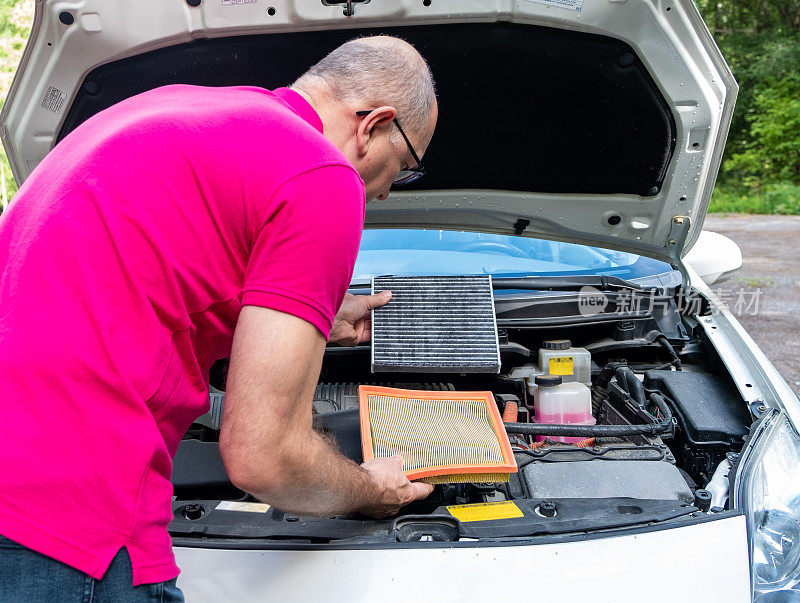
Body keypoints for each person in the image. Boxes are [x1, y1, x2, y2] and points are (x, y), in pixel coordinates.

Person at [0, 36, 438, 601]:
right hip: (66, 522)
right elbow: (263, 458)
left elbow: (140, 283)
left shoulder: (173, 108)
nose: (382, 195)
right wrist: (368, 489)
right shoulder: (323, 175)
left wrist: (308, 318)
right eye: (401, 169)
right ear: (372, 125)